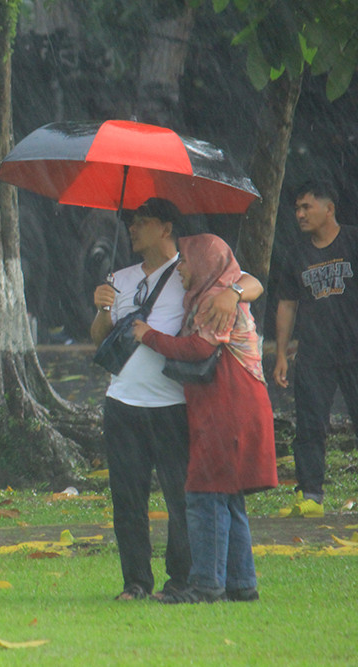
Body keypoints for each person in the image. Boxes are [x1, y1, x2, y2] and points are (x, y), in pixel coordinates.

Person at [91, 198, 261, 601]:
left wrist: (232, 294)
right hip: (123, 401)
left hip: (171, 404)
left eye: (142, 222)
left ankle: (180, 578)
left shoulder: (191, 268)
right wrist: (101, 309)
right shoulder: (120, 276)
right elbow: (99, 338)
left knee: (180, 499)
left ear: (166, 228)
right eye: (130, 222)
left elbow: (252, 281)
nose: (131, 228)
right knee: (127, 500)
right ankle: (135, 581)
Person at [132, 234, 278, 603]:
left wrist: (148, 336)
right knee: (228, 496)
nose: (179, 268)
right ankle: (241, 584)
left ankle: (206, 584)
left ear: (203, 262)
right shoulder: (217, 290)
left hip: (226, 404)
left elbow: (199, 349)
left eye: (184, 261)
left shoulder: (215, 299)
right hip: (233, 402)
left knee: (204, 494)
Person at [273, 180, 358, 518]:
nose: (300, 214)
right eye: (297, 208)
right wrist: (281, 352)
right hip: (313, 354)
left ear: (329, 208)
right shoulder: (297, 253)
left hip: (354, 351)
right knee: (309, 427)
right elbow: (287, 304)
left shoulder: (353, 241)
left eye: (307, 207)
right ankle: (311, 496)